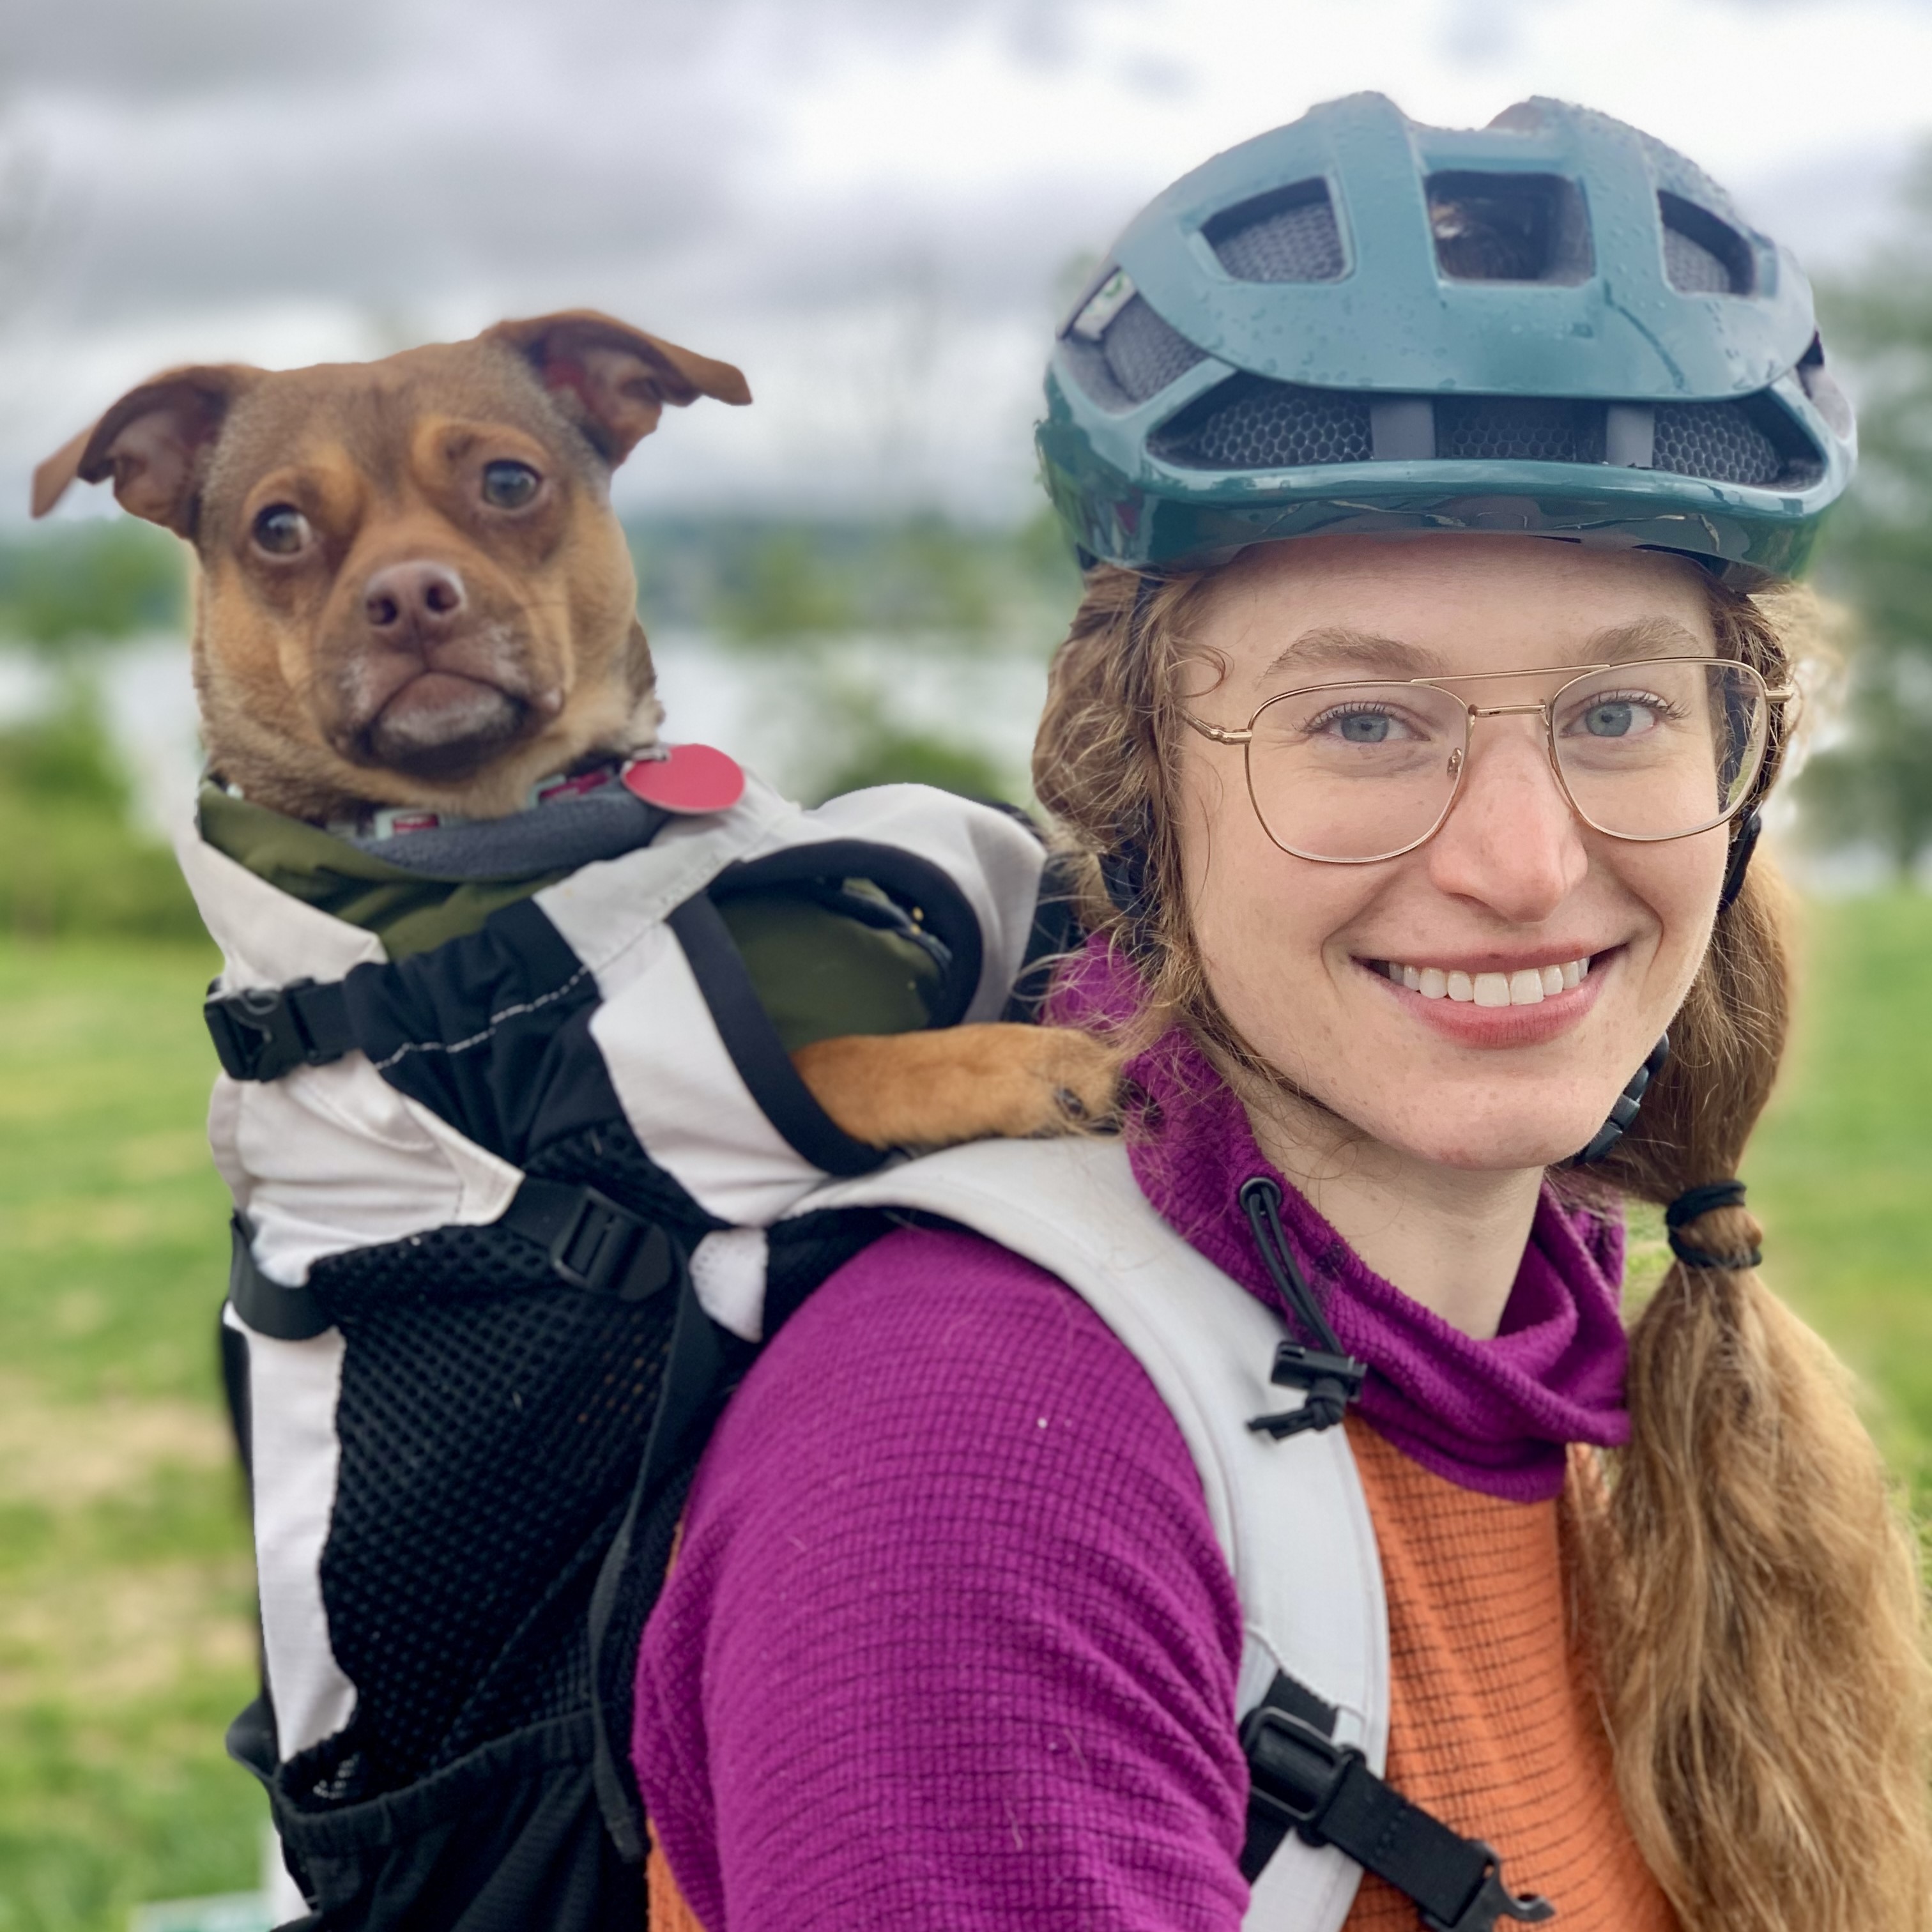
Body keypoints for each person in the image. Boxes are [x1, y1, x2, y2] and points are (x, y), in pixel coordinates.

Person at [631, 95, 1932, 1932]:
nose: (1520, 862)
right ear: (1139, 788)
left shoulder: (1575, 1357)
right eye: (1364, 721)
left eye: (1620, 712)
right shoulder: (972, 1465)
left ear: (1742, 768)